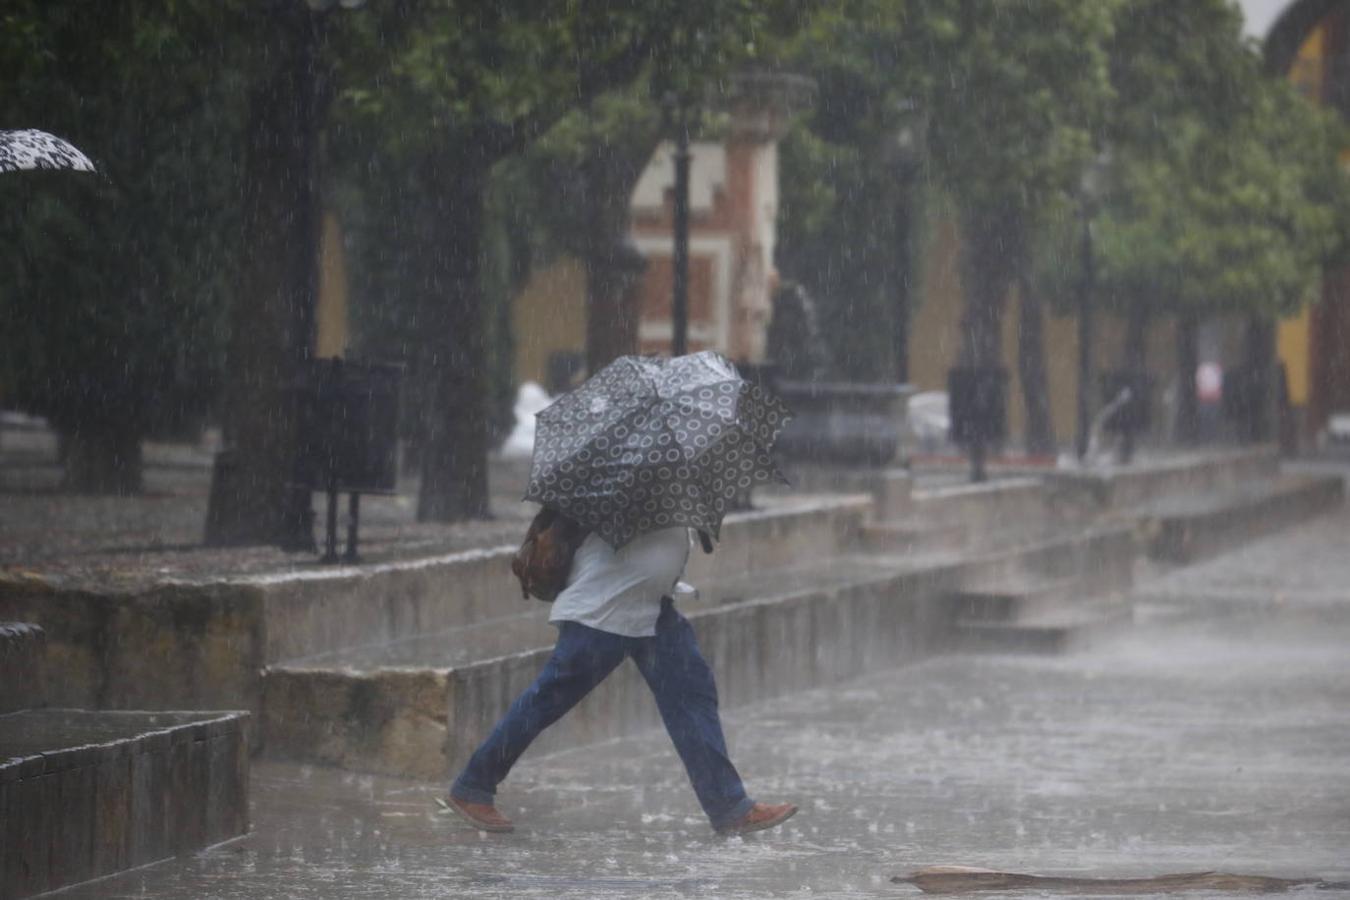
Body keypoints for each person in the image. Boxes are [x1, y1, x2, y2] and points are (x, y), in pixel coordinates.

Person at [444, 524, 797, 836]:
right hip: (603, 612)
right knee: (546, 700)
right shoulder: (620, 479)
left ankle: (730, 806)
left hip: (652, 611)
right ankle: (473, 786)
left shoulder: (663, 476)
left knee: (692, 695)